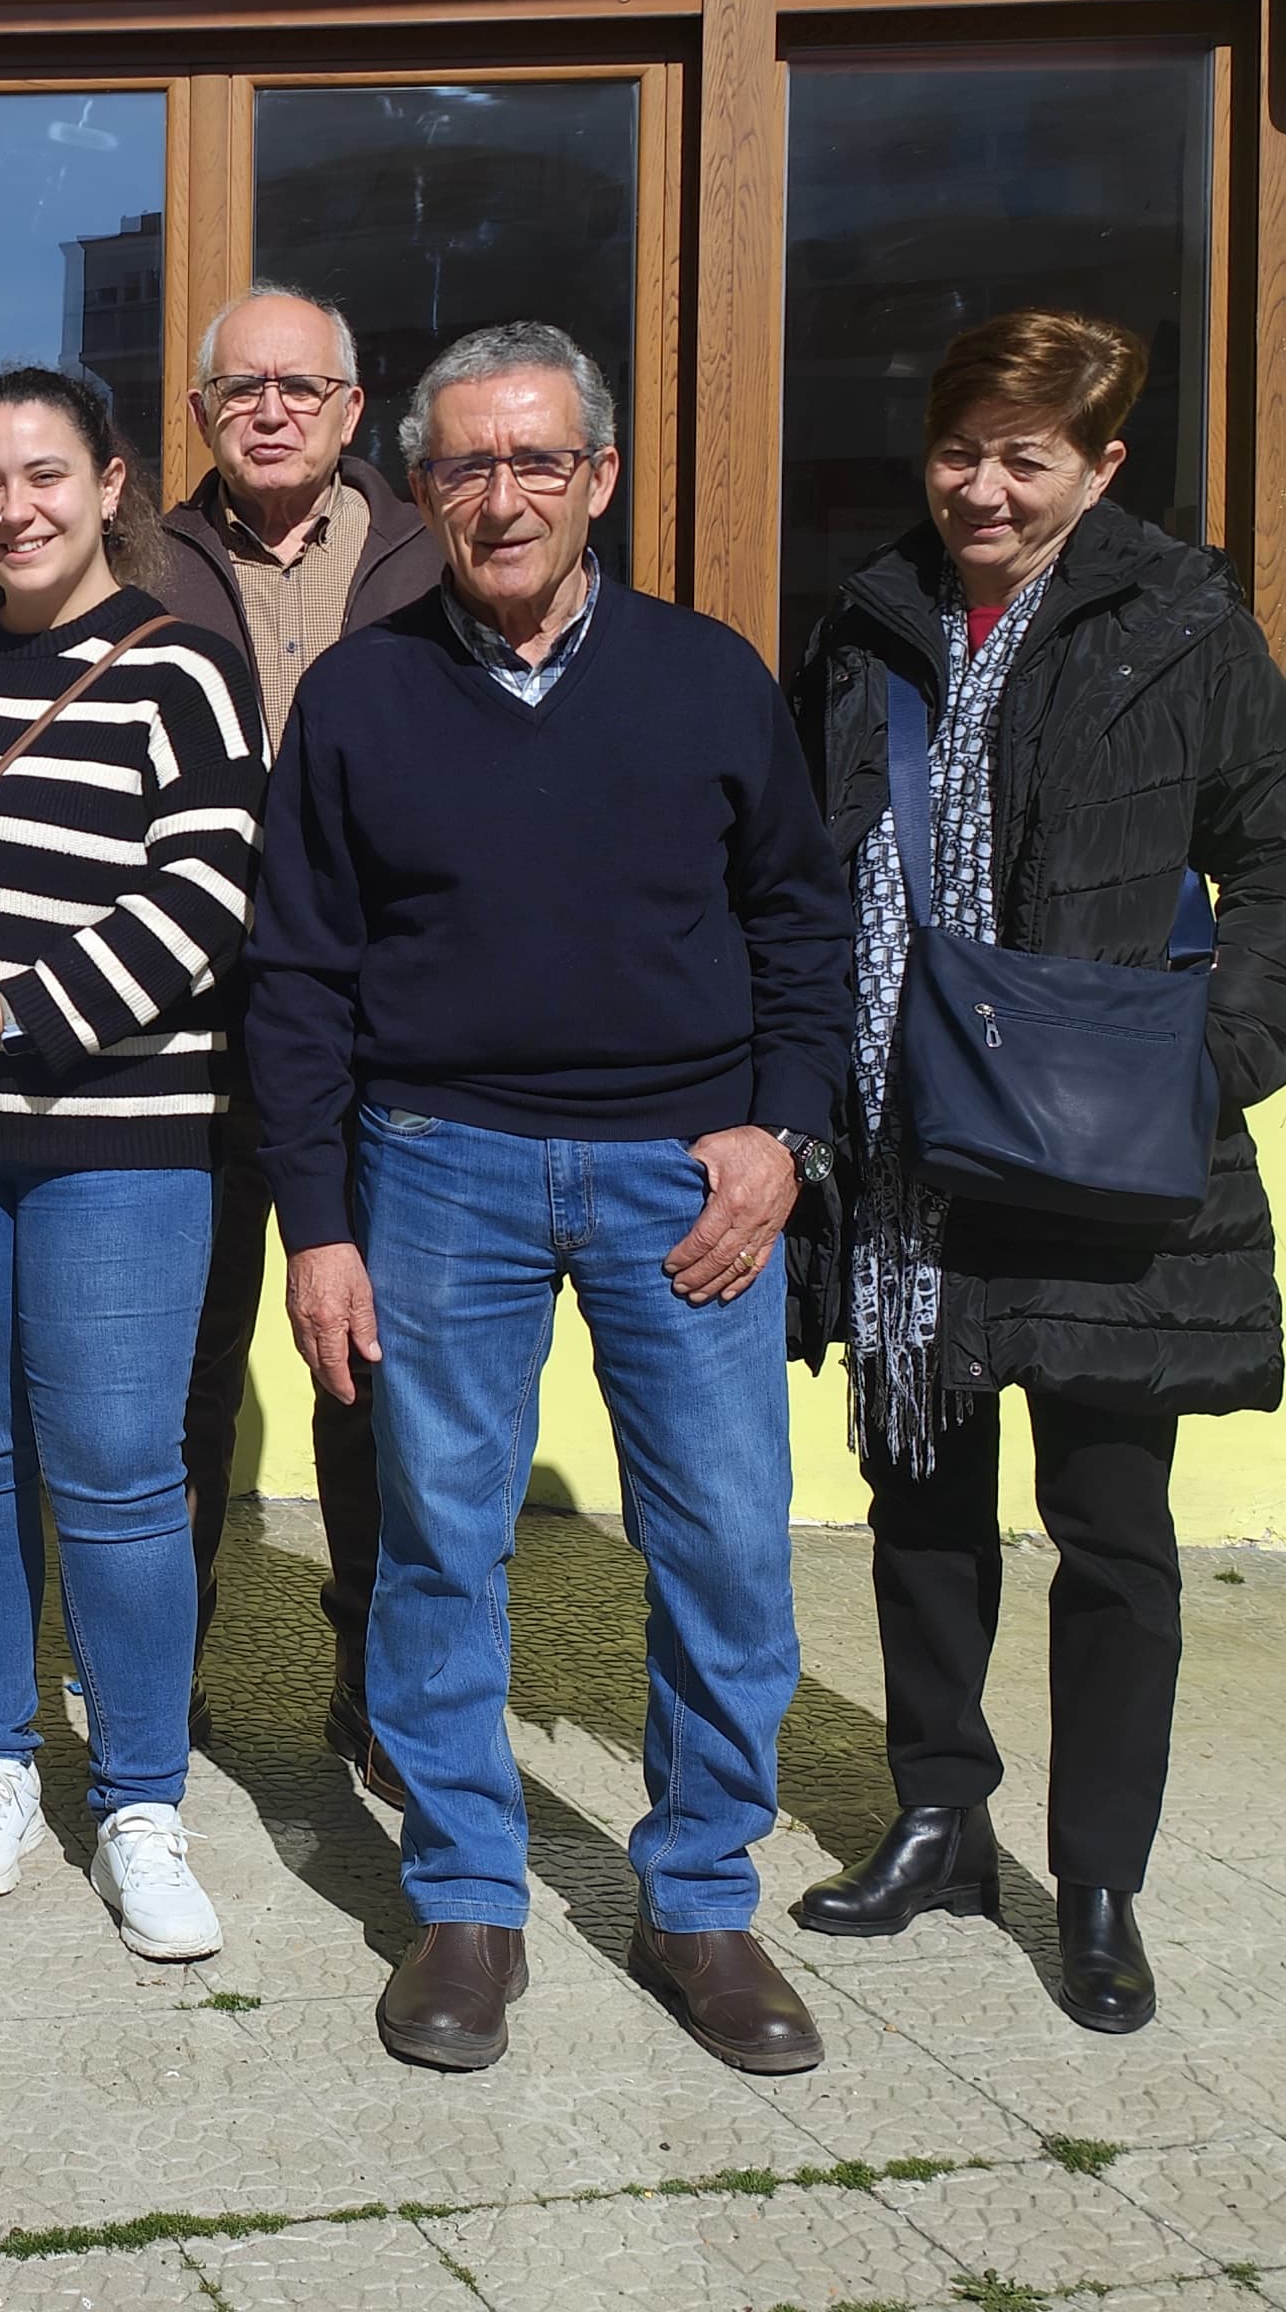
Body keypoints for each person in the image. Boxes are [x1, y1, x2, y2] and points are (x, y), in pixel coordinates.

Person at [248, 321, 856, 2077]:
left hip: (691, 1178)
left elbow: (800, 928)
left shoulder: (707, 675)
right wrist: (319, 1224)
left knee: (730, 1544)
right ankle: (466, 1901)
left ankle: (699, 1903)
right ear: (419, 491)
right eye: (464, 467)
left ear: (599, 479)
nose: (499, 497)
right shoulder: (359, 697)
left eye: (537, 463)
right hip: (439, 1170)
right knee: (441, 1541)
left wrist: (780, 1135)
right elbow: (299, 978)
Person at [781, 311, 1286, 2034]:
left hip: (1107, 1161)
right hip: (906, 1157)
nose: (982, 485)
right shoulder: (867, 621)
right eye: (961, 449)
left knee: (1113, 1530)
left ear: (1103, 468)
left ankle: (1097, 1875)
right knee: (924, 1510)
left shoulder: (1179, 631)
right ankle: (939, 1814)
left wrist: (1211, 1056)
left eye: (1025, 457)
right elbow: (808, 862)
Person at [0, 367, 265, 1959]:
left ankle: (141, 1801)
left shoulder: (184, 672)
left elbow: (206, 905)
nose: (13, 509)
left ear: (110, 486)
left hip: (120, 1137)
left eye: (43, 476)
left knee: (120, 1470)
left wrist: (7, 1012)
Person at [150, 285, 440, 1785]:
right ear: (200, 415)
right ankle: (159, 1677)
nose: (269, 408)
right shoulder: (136, 558)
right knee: (180, 1373)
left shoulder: (436, 550)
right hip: (178, 1033)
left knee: (367, 1374)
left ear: (350, 407)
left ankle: (379, 1687)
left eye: (299, 386)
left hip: (381, 1035)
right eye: (239, 388)